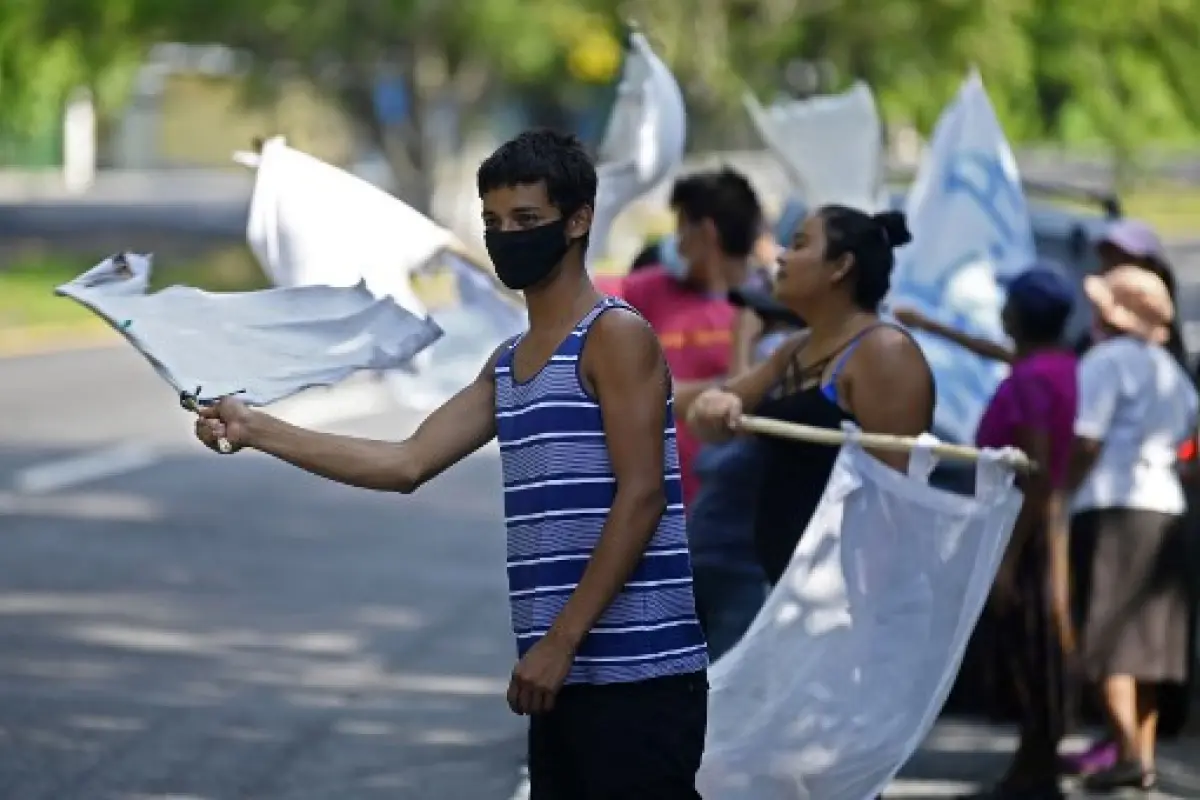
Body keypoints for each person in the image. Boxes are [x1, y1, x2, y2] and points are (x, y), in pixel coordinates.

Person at [195, 129, 709, 799]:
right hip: (563, 675)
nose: (506, 237)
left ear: (578, 220)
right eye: (493, 222)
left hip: (637, 672)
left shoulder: (615, 336)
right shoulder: (509, 363)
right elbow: (405, 461)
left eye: (527, 220)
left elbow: (641, 497)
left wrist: (561, 639)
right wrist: (257, 427)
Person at [898, 268, 1080, 800]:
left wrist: (1007, 557)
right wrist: (932, 326)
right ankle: (1032, 766)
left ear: (1020, 315)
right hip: (1036, 521)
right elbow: (999, 353)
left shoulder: (1029, 380)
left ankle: (1037, 771)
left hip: (1024, 525)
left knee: (1033, 647)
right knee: (1036, 645)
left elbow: (1034, 469)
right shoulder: (1055, 366)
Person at [688, 207, 935, 587]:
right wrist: (715, 406)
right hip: (788, 591)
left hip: (847, 597)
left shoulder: (885, 352)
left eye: (800, 245)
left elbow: (897, 500)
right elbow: (712, 420)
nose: (782, 255)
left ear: (841, 267)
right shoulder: (796, 349)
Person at [1066, 265, 1199, 793]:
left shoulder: (1104, 362)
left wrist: (1061, 488)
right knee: (1147, 645)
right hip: (1165, 506)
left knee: (1106, 635)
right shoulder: (1172, 372)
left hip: (1112, 503)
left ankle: (1126, 751)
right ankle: (1138, 753)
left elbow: (1087, 439)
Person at [617, 169, 764, 507]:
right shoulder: (645, 291)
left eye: (681, 227)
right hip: (648, 508)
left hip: (728, 510)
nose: (676, 242)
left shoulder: (772, 309)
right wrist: (730, 388)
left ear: (707, 233)